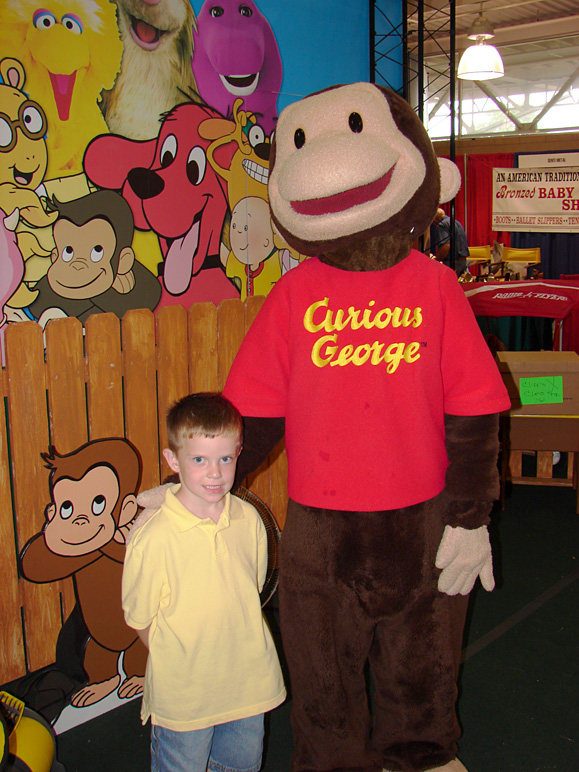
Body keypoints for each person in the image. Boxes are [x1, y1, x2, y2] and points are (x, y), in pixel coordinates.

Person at [122, 393, 286, 772]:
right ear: (172, 460)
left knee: (241, 765)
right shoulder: (154, 538)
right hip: (185, 699)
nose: (214, 473)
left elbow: (252, 589)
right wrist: (183, 662)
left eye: (225, 459)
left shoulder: (250, 519)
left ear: (239, 453)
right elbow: (141, 618)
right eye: (199, 460)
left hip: (248, 686)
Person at [430, 207, 470, 277]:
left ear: (435, 218)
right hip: (462, 261)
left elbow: (446, 246)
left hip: (452, 263)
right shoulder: (456, 222)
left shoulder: (442, 225)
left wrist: (436, 260)